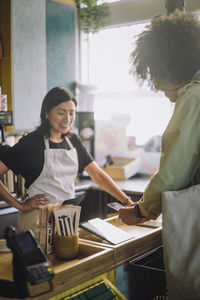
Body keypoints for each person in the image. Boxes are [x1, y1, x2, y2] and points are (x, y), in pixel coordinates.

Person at [119, 10, 200, 225]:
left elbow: (174, 171)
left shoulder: (193, 96)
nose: (157, 86)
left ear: (167, 65)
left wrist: (142, 211)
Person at [0, 87, 133, 213]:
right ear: (46, 113)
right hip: (39, 222)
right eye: (61, 113)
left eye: (71, 113)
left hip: (67, 221)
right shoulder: (30, 143)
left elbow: (98, 175)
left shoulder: (73, 141)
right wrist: (20, 206)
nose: (68, 119)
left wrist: (127, 201)